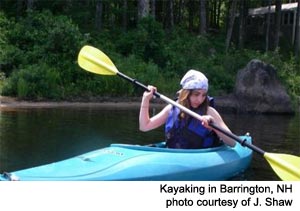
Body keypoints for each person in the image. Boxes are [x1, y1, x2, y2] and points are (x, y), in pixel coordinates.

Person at [139, 69, 236, 149]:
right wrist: (146, 99)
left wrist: (213, 126)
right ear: (186, 93)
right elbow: (144, 126)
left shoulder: (209, 112)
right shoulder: (172, 109)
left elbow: (233, 143)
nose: (200, 99)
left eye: (203, 95)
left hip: (201, 158)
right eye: (196, 94)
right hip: (173, 155)